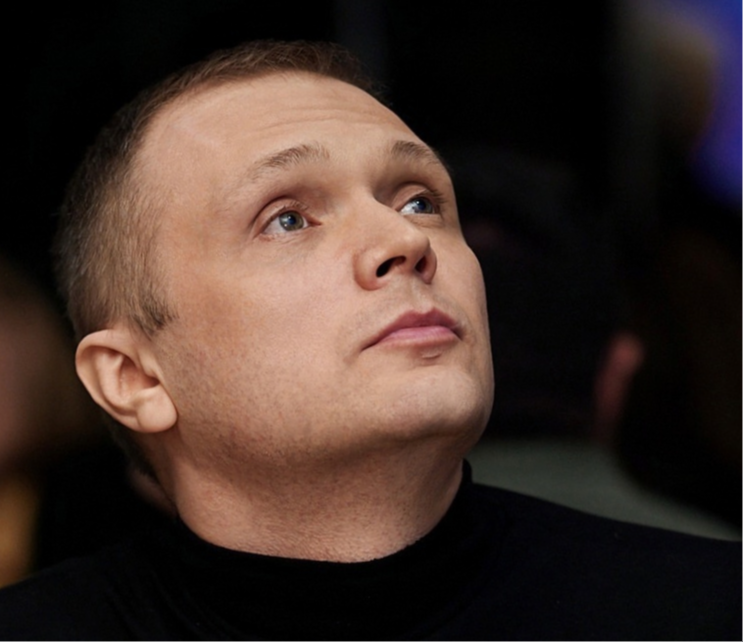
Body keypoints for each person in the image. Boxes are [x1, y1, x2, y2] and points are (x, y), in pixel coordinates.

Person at [1, 41, 740, 641]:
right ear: (135, 379)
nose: (404, 240)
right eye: (287, 218)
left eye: (419, 201)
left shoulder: (703, 610)